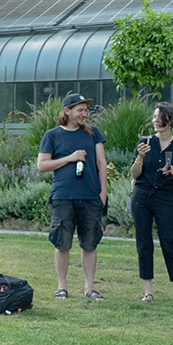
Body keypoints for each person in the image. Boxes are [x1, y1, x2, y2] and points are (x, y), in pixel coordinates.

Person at [37, 92, 108, 301]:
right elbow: (42, 165)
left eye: (86, 110)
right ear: (67, 111)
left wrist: (103, 193)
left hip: (90, 197)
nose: (85, 114)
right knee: (62, 243)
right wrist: (69, 158)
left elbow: (101, 163)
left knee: (90, 244)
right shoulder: (52, 135)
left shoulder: (93, 133)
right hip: (63, 197)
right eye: (80, 110)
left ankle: (89, 288)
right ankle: (62, 287)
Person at [131, 102, 173, 305]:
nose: (155, 121)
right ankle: (148, 293)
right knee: (144, 243)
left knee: (169, 243)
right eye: (154, 117)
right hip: (141, 197)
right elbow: (134, 174)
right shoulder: (145, 142)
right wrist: (140, 157)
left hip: (165, 199)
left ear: (171, 121)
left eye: (159, 117)